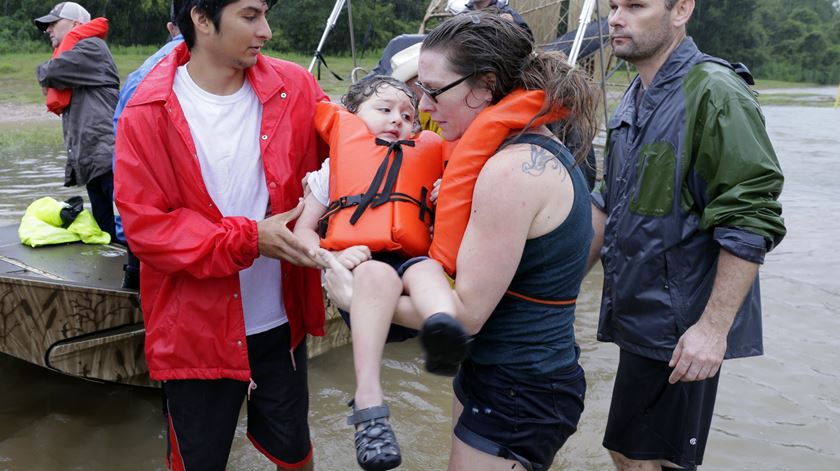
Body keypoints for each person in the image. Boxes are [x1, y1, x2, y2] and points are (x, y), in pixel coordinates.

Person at [321, 11, 599, 471]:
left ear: (485, 86)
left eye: (432, 90)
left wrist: (355, 297)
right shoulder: (531, 145)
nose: (423, 106)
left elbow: (464, 317)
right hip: (510, 374)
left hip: (518, 388)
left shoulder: (510, 172)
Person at [113, 1, 329, 470]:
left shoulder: (296, 88)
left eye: (265, 15)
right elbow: (146, 229)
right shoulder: (147, 111)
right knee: (197, 462)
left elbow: (346, 157)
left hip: (279, 322)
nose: (267, 31)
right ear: (202, 19)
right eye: (250, 17)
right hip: (194, 332)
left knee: (296, 455)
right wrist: (250, 239)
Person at [588, 1, 786, 470]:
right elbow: (605, 202)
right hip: (641, 316)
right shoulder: (635, 94)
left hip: (681, 326)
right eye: (613, 5)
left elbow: (751, 215)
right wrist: (553, 296)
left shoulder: (715, 92)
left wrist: (713, 330)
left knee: (646, 458)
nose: (616, 18)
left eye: (635, 5)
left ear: (681, 10)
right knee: (634, 453)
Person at [111, 1, 184, 289]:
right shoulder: (209, 67)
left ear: (170, 28)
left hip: (143, 224)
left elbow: (123, 155)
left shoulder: (142, 71)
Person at [34, 1, 119, 241]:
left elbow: (48, 73)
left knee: (124, 232)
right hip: (94, 161)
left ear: (75, 24)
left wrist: (45, 79)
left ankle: (135, 276)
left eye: (53, 24)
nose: (48, 30)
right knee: (107, 235)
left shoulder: (91, 48)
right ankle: (114, 276)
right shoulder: (76, 56)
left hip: (109, 160)